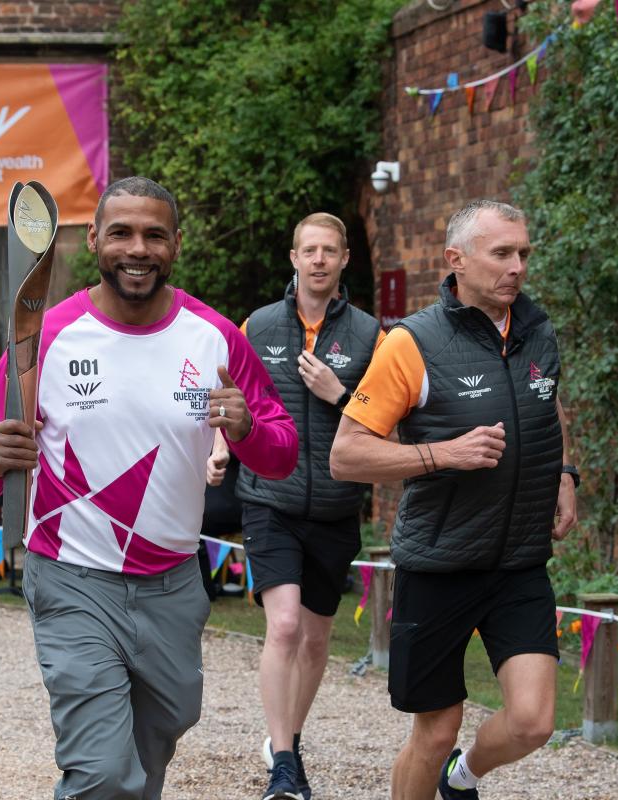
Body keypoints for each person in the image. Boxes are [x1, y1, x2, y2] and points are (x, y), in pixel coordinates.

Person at [0, 176, 298, 800]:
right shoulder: (46, 338)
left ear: (175, 243)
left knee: (159, 738)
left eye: (153, 234)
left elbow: (281, 456)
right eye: (121, 233)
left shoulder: (216, 337)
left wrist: (248, 429)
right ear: (94, 240)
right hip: (72, 577)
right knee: (102, 774)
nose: (137, 248)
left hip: (173, 582)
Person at [330, 200, 578, 800]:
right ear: (456, 260)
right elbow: (348, 455)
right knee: (435, 732)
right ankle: (442, 767)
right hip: (439, 566)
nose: (517, 266)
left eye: (523, 254)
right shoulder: (412, 343)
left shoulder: (536, 328)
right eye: (502, 254)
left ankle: (463, 778)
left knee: (533, 722)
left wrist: (566, 474)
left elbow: (549, 404)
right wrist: (445, 453)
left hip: (519, 562)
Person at [214, 212, 383, 800]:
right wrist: (219, 448)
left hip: (337, 505)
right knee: (283, 626)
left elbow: (388, 421)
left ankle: (289, 736)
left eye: (328, 251)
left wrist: (338, 394)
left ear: (342, 261)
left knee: (315, 641)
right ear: (293, 258)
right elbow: (230, 396)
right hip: (270, 497)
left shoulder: (370, 335)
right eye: (308, 250)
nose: (317, 260)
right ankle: (284, 764)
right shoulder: (257, 327)